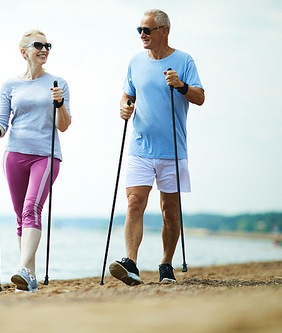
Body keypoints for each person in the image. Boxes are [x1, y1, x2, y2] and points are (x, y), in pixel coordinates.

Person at [109, 9, 204, 285]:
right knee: (134, 202)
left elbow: (199, 97)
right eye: (139, 30)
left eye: (147, 30)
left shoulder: (184, 60)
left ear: (164, 31)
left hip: (173, 150)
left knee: (170, 211)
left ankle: (166, 265)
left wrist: (181, 85)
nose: (142, 35)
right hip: (140, 147)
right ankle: (131, 263)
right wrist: (124, 107)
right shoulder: (135, 62)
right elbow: (127, 94)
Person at [0, 29, 71, 292]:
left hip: (46, 155)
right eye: (38, 45)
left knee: (31, 208)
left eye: (48, 45)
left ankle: (22, 269)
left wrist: (60, 104)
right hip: (14, 154)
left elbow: (64, 125)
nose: (44, 49)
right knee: (20, 216)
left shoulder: (58, 83)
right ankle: (29, 277)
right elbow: (2, 121)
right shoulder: (10, 85)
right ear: (24, 51)